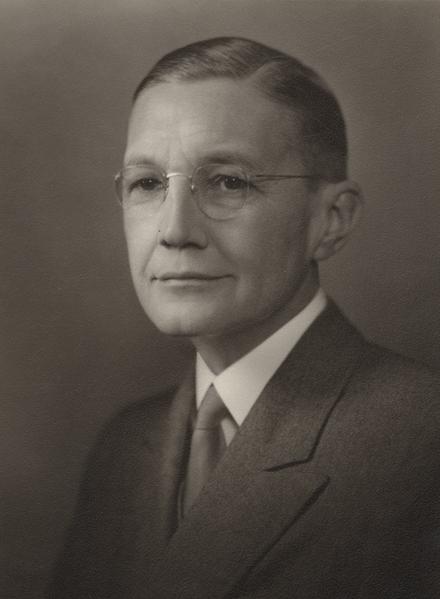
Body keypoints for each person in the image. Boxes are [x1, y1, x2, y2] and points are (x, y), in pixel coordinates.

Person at [49, 37, 440, 599]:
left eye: (229, 181)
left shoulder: (422, 440)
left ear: (331, 220)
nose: (174, 231)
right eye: (148, 184)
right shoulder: (126, 445)